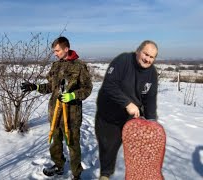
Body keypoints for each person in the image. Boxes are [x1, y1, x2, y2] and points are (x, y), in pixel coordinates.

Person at [21, 36, 93, 180]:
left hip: (71, 114)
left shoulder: (79, 66)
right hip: (55, 112)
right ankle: (59, 166)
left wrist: (73, 95)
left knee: (72, 144)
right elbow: (50, 87)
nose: (55, 53)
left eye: (58, 50)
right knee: (56, 142)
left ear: (66, 49)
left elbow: (87, 88)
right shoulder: (55, 66)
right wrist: (35, 87)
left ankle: (76, 173)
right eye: (54, 51)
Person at [95, 40, 159, 180]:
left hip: (131, 115)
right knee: (109, 147)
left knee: (139, 147)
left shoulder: (152, 73)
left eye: (151, 57)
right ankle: (105, 174)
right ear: (138, 51)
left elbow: (150, 100)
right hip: (109, 113)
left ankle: (137, 174)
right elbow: (109, 86)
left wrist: (151, 121)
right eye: (145, 54)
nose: (147, 59)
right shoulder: (123, 61)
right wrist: (127, 103)